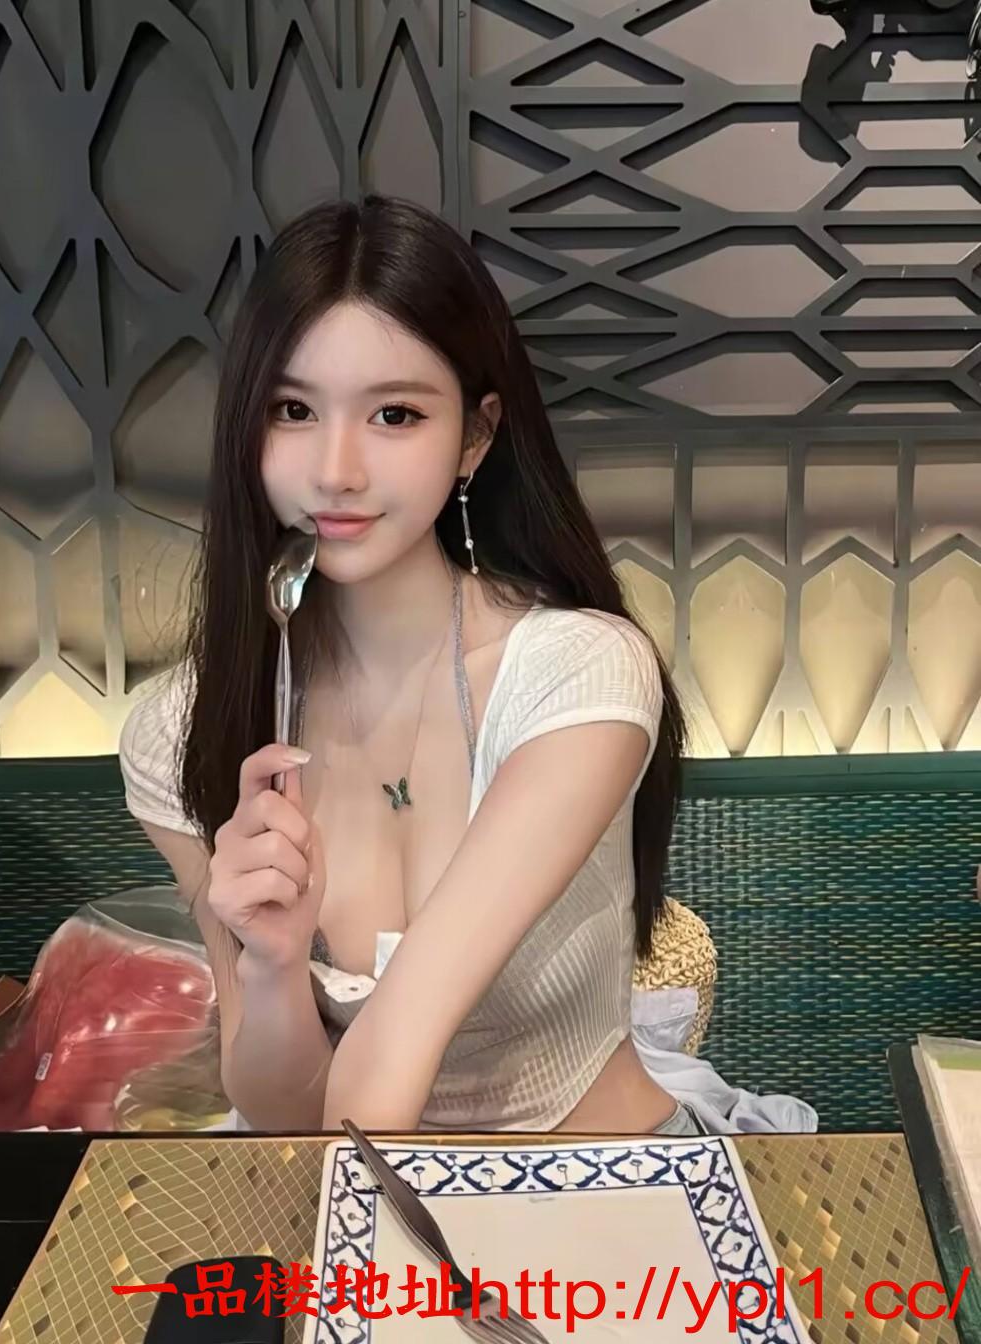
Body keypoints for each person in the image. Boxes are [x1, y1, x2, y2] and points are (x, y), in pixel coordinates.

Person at [119, 193, 698, 1136]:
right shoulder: (179, 732)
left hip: (597, 1183)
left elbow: (386, 1063)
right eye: (293, 410)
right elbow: (281, 1112)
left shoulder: (577, 679)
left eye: (394, 414)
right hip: (359, 1175)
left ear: (474, 436)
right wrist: (271, 962)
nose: (336, 470)